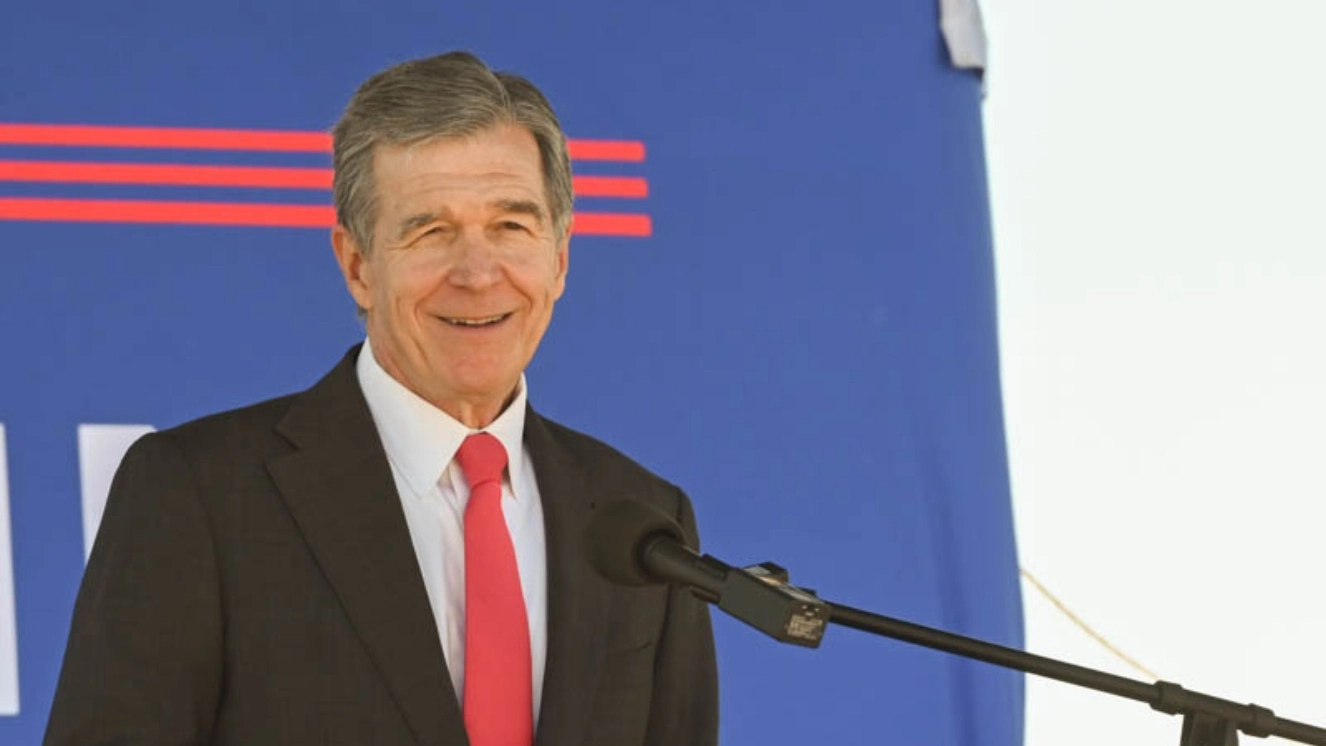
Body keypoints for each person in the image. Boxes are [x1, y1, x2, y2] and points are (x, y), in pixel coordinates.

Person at [43, 51, 718, 746]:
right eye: (431, 232)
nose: (479, 273)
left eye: (511, 227)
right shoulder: (197, 494)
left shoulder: (642, 523)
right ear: (357, 266)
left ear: (560, 259)